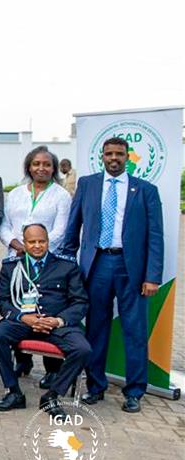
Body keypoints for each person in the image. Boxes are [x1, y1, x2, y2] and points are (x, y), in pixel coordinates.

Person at [61, 136, 164, 413]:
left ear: (128, 157)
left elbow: (155, 236)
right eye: (109, 154)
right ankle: (96, 387)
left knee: (135, 330)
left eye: (119, 153)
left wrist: (152, 276)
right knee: (95, 327)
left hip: (131, 268)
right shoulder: (88, 184)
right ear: (102, 156)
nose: (114, 158)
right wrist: (68, 266)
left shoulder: (146, 190)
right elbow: (73, 229)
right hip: (96, 266)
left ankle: (135, 391)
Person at [0, 224, 90, 418]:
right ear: (24, 243)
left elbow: (80, 302)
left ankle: (52, 396)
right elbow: (3, 300)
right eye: (32, 242)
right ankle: (13, 392)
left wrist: (58, 320)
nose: (37, 246)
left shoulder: (66, 266)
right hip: (23, 321)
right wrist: (23, 317)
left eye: (41, 241)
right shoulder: (12, 266)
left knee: (82, 349)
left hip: (56, 324)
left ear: (48, 242)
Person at [0, 146, 73, 385]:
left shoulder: (61, 196)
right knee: (21, 304)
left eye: (47, 164)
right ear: (28, 166)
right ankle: (23, 360)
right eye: (36, 163)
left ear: (53, 168)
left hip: (47, 261)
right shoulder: (16, 193)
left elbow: (61, 230)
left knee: (47, 306)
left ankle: (52, 368)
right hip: (17, 258)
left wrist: (36, 248)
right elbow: (4, 224)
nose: (41, 168)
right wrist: (16, 244)